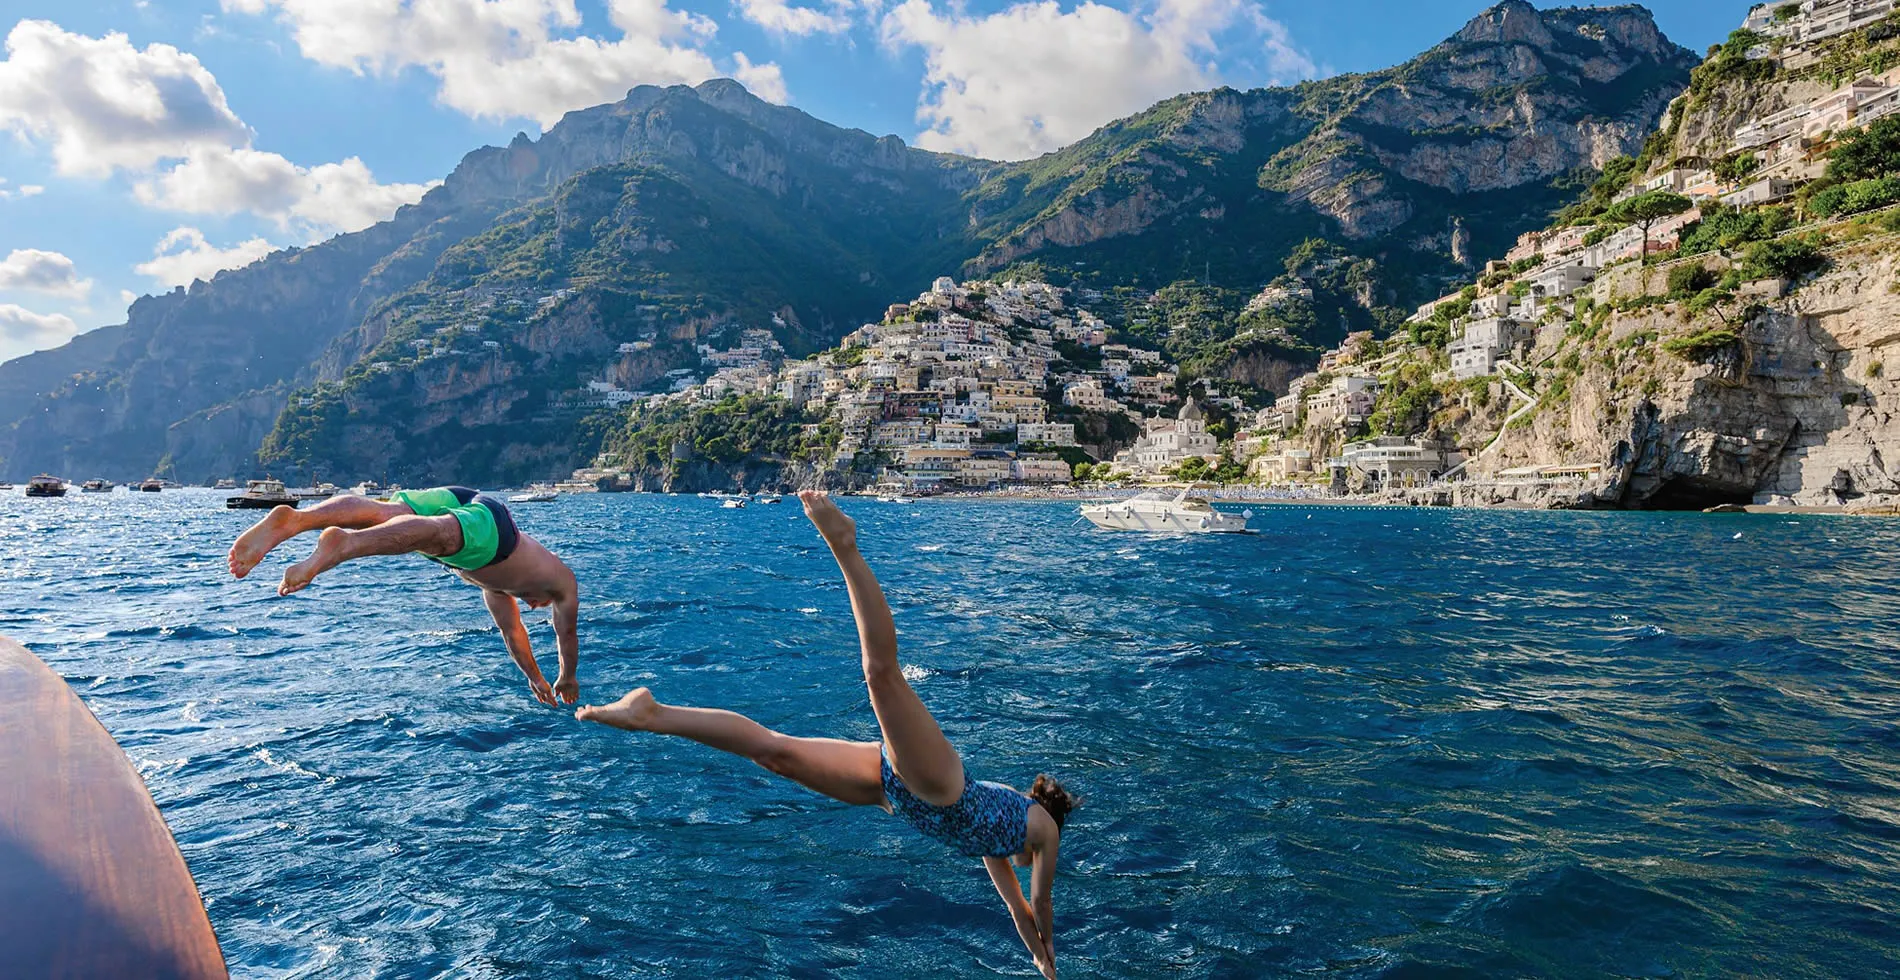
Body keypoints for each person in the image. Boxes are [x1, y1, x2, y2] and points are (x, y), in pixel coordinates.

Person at [576, 491, 1073, 978]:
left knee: (775, 755)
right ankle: (845, 545)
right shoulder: (1040, 830)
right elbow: (1040, 900)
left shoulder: (996, 845)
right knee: (881, 674)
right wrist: (1048, 942)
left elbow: (1018, 912)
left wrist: (1041, 962)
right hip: (943, 786)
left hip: (895, 795)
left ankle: (652, 713)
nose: (1026, 863)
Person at [226, 487, 580, 706]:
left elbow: (512, 634)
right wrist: (567, 675)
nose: (535, 605)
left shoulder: (495, 589)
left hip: (465, 498)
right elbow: (564, 631)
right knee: (439, 535)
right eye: (541, 603)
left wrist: (535, 676)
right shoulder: (561, 581)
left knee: (386, 513)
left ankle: (297, 519)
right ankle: (344, 544)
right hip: (497, 531)